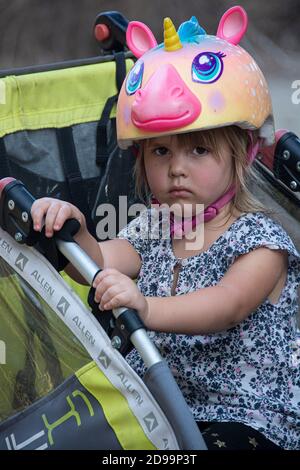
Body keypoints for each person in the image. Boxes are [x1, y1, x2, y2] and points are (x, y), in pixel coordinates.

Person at [31, 6, 300, 449]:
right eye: (160, 153)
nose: (177, 169)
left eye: (198, 150)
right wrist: (72, 227)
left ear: (243, 154)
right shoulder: (155, 227)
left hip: (242, 418)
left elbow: (226, 305)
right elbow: (96, 263)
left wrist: (147, 308)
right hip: (157, 407)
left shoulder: (260, 243)